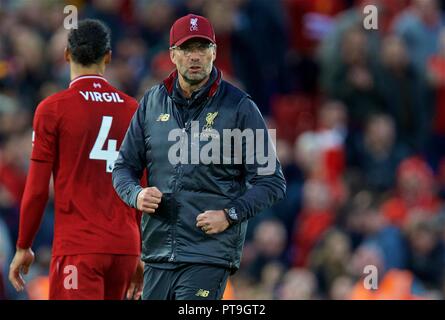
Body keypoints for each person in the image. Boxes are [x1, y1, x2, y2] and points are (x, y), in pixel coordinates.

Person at [112, 13, 286, 300]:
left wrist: (230, 215)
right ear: (172, 55)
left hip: (208, 253)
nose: (195, 56)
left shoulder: (240, 107)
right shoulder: (151, 103)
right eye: (186, 48)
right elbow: (123, 168)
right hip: (157, 252)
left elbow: (272, 181)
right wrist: (136, 195)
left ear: (214, 53)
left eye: (202, 48)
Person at [8, 19, 143, 300]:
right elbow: (144, 187)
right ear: (108, 56)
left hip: (80, 247)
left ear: (67, 54)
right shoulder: (134, 109)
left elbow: (36, 190)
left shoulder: (53, 109)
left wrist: (23, 245)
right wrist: (142, 250)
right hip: (126, 247)